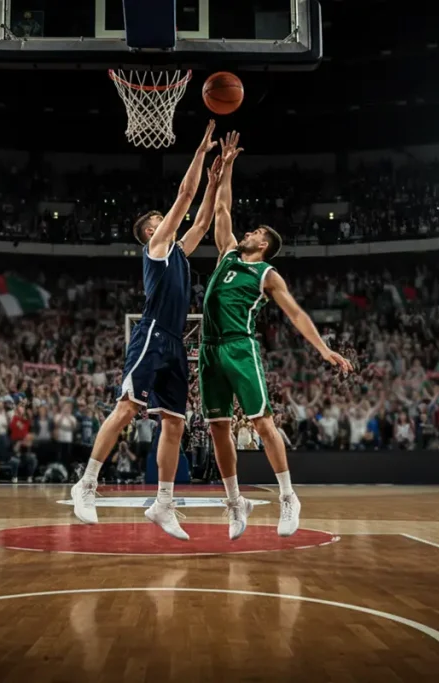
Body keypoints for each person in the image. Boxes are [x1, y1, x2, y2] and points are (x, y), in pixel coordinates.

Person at [70, 121, 222, 540]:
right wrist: (200, 154)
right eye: (158, 220)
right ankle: (86, 484)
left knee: (175, 423)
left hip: (174, 341)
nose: (164, 220)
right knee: (126, 409)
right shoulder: (155, 249)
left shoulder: (179, 252)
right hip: (152, 335)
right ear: (150, 232)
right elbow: (185, 197)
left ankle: (164, 502)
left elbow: (203, 220)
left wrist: (217, 179)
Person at [199, 131, 352, 540]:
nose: (246, 232)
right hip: (208, 349)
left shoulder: (266, 274)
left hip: (239, 346)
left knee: (262, 423)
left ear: (263, 243)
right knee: (217, 427)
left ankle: (288, 496)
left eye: (255, 232)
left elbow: (297, 314)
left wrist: (324, 350)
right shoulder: (228, 253)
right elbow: (222, 208)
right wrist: (228, 165)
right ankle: (235, 503)